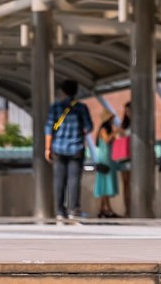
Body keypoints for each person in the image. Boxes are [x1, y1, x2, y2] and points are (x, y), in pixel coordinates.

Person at [45, 78, 92, 222]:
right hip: (76, 148)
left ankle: (60, 211)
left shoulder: (55, 107)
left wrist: (48, 148)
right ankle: (73, 210)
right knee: (74, 179)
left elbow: (49, 129)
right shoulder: (81, 107)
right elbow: (88, 127)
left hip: (58, 148)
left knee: (59, 180)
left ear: (63, 91)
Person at [92, 116, 120, 218]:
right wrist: (115, 132)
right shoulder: (104, 129)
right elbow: (107, 140)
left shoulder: (107, 129)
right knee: (105, 184)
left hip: (108, 159)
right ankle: (106, 209)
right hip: (105, 160)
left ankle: (104, 208)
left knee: (106, 185)